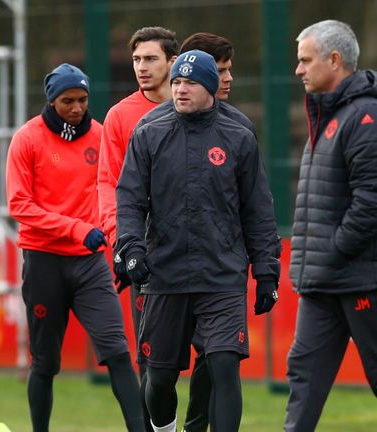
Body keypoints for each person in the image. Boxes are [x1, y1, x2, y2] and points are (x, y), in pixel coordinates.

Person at [115, 49, 281, 432]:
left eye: (190, 82)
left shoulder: (239, 133)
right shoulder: (149, 131)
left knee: (224, 365)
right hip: (164, 275)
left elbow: (257, 208)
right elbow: (130, 198)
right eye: (176, 82)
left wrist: (267, 271)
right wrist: (131, 247)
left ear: (209, 87)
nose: (180, 90)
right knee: (158, 381)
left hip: (221, 275)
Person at [284, 20, 377, 432]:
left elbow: (376, 196)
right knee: (303, 378)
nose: (299, 70)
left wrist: (336, 248)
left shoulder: (367, 115)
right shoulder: (329, 115)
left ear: (334, 60)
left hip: (361, 278)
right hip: (323, 280)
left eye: (306, 60)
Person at [6, 63, 143, 432]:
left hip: (90, 264)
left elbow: (116, 191)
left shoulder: (101, 136)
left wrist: (117, 247)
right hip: (44, 262)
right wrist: (76, 228)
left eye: (83, 99)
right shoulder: (28, 139)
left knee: (117, 353)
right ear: (51, 100)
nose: (77, 108)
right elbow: (19, 205)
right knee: (45, 364)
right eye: (68, 100)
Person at [96, 26, 179, 432]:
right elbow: (108, 184)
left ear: (173, 62)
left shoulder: (196, 106)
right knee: (152, 360)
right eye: (136, 60)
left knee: (215, 358)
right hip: (145, 253)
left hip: (202, 255)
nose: (141, 68)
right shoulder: (120, 116)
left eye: (150, 59)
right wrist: (120, 241)